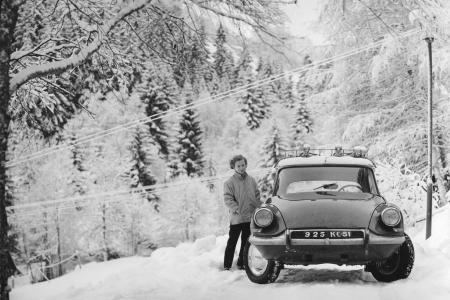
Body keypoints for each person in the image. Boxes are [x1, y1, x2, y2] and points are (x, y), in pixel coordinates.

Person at [223, 154, 261, 270]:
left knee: (246, 243)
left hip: (249, 218)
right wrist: (236, 208)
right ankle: (227, 265)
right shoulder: (229, 182)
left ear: (246, 165)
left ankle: (242, 263)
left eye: (243, 165)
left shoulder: (251, 180)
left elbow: (257, 196)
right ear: (233, 167)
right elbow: (227, 199)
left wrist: (259, 207)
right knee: (232, 242)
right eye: (238, 166)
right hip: (237, 218)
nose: (241, 168)